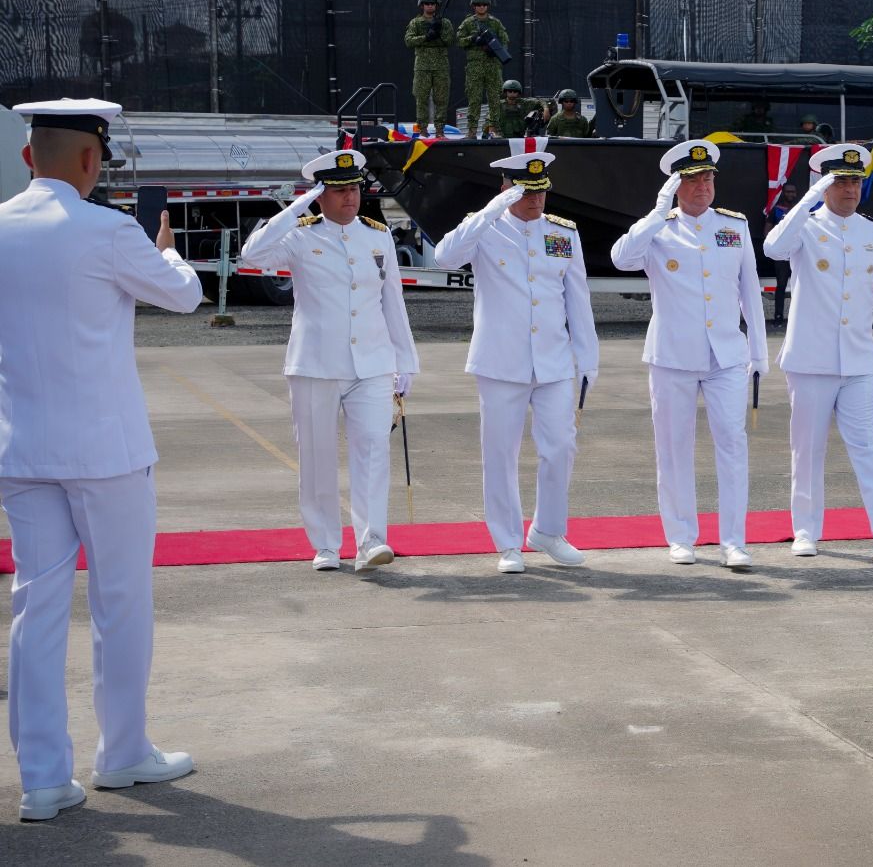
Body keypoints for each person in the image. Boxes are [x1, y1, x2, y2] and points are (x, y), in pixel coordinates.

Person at [1, 99, 202, 821]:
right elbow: (184, 297)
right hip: (106, 453)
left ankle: (44, 780)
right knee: (120, 602)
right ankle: (121, 752)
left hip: (22, 447)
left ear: (30, 157)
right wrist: (169, 249)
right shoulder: (108, 229)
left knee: (36, 608)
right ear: (91, 159)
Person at [240, 150, 419, 572]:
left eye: (354, 188)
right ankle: (324, 543)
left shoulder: (377, 236)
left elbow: (392, 301)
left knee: (374, 451)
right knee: (317, 456)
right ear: (320, 195)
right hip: (316, 364)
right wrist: (299, 206)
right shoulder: (300, 236)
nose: (349, 198)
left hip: (372, 363)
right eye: (338, 191)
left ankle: (371, 540)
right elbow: (252, 254)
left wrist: (405, 362)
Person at [432, 153, 598, 572]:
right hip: (500, 362)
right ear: (507, 188)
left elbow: (577, 299)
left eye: (541, 191)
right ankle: (507, 542)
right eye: (526, 192)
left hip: (553, 361)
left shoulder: (563, 233)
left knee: (561, 446)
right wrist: (490, 210)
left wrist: (588, 357)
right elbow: (445, 257)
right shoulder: (485, 229)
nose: (536, 200)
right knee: (500, 454)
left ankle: (547, 530)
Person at [609, 140, 768, 567]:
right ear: (676, 184)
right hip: (672, 356)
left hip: (726, 356)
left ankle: (733, 540)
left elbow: (749, 291)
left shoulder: (734, 226)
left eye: (709, 177)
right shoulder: (659, 227)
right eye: (693, 179)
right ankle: (681, 536)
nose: (703, 186)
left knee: (733, 444)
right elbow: (621, 259)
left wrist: (759, 353)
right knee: (674, 446)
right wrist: (659, 211)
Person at [762, 144, 873, 561]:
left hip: (859, 359)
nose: (850, 189)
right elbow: (773, 248)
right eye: (841, 181)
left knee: (868, 445)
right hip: (811, 361)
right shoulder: (805, 229)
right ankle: (806, 530)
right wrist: (812, 197)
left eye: (856, 180)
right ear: (825, 182)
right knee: (808, 449)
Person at [456, 0, 510, 139]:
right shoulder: (468, 23)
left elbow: (505, 39)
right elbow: (459, 41)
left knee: (494, 98)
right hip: (475, 66)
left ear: (488, 6)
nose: (481, 7)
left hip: (493, 65)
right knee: (474, 99)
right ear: (473, 6)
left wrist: (497, 51)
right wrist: (473, 39)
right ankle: (472, 131)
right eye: (478, 5)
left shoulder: (495, 22)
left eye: (484, 4)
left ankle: (494, 129)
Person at [404, 0, 452, 137]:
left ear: (436, 6)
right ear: (422, 5)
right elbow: (409, 41)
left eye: (432, 4)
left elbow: (450, 41)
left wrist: (438, 34)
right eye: (427, 4)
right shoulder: (416, 23)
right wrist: (426, 36)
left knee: (441, 99)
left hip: (441, 65)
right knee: (421, 98)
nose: (430, 6)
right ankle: (423, 129)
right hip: (422, 66)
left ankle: (439, 130)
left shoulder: (444, 23)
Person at [764, 181, 800, 322]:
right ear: (783, 193)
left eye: (793, 192)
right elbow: (767, 230)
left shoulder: (800, 209)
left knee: (801, 285)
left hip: (798, 253)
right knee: (781, 285)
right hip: (782, 255)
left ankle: (798, 318)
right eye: (788, 191)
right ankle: (778, 317)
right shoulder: (776, 210)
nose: (790, 194)